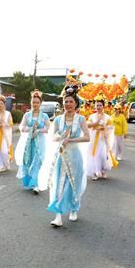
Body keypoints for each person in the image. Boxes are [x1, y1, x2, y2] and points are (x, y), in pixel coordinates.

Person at [43, 84, 90, 227]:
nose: (68, 104)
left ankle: (73, 209)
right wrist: (60, 137)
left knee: (73, 184)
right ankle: (58, 215)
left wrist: (71, 139)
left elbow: (87, 137)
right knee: (58, 183)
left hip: (75, 156)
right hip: (61, 155)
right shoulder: (57, 120)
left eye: (70, 101)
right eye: (66, 101)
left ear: (76, 103)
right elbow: (52, 136)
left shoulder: (81, 119)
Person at [15, 89, 50, 194]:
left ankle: (36, 184)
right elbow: (22, 126)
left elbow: (47, 128)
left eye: (37, 102)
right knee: (29, 160)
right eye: (33, 102)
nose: (35, 104)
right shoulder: (27, 115)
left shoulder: (44, 116)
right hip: (29, 142)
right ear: (31, 103)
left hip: (40, 142)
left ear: (40, 103)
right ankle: (30, 182)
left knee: (38, 161)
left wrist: (38, 130)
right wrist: (30, 130)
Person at [87, 97, 117, 180]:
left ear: (103, 106)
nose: (98, 107)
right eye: (97, 105)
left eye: (100, 105)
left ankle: (103, 170)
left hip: (103, 139)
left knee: (103, 155)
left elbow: (111, 127)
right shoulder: (92, 116)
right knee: (95, 155)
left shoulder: (108, 117)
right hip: (94, 138)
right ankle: (96, 172)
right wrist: (96, 123)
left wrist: (104, 128)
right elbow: (87, 125)